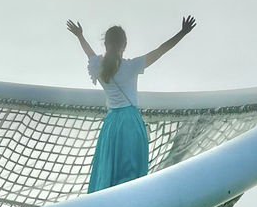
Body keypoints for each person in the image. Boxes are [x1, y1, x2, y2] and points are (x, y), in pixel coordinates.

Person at [66, 16, 197, 194]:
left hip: (111, 124)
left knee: (109, 169)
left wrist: (80, 36)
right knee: (131, 172)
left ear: (105, 45)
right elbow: (160, 51)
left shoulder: (98, 66)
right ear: (124, 46)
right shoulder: (131, 66)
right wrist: (182, 33)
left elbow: (88, 52)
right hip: (130, 121)